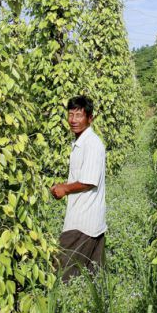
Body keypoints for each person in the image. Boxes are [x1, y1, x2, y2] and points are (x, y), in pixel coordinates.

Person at [50, 95, 107, 282]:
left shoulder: (91, 144)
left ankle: (60, 308)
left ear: (90, 118)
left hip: (82, 223)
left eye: (79, 115)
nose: (73, 120)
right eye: (70, 114)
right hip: (91, 222)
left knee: (62, 274)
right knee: (90, 278)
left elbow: (89, 181)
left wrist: (64, 189)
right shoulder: (81, 142)